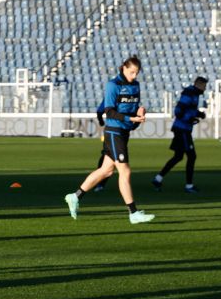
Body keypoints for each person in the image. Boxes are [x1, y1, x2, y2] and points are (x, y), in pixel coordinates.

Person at [64, 56, 155, 224]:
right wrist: (131, 118)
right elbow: (109, 111)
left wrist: (139, 115)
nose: (134, 76)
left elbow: (132, 110)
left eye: (137, 73)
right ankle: (133, 213)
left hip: (124, 132)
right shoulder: (113, 85)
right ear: (124, 68)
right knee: (125, 171)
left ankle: (75, 196)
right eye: (131, 72)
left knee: (106, 170)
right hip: (114, 132)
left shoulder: (135, 85)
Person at [152, 76, 208, 193]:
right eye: (204, 86)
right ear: (199, 84)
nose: (205, 89)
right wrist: (189, 119)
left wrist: (199, 114)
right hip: (182, 129)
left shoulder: (194, 94)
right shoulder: (189, 93)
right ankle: (189, 186)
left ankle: (158, 179)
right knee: (191, 156)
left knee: (178, 156)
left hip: (182, 128)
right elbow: (178, 111)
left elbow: (188, 109)